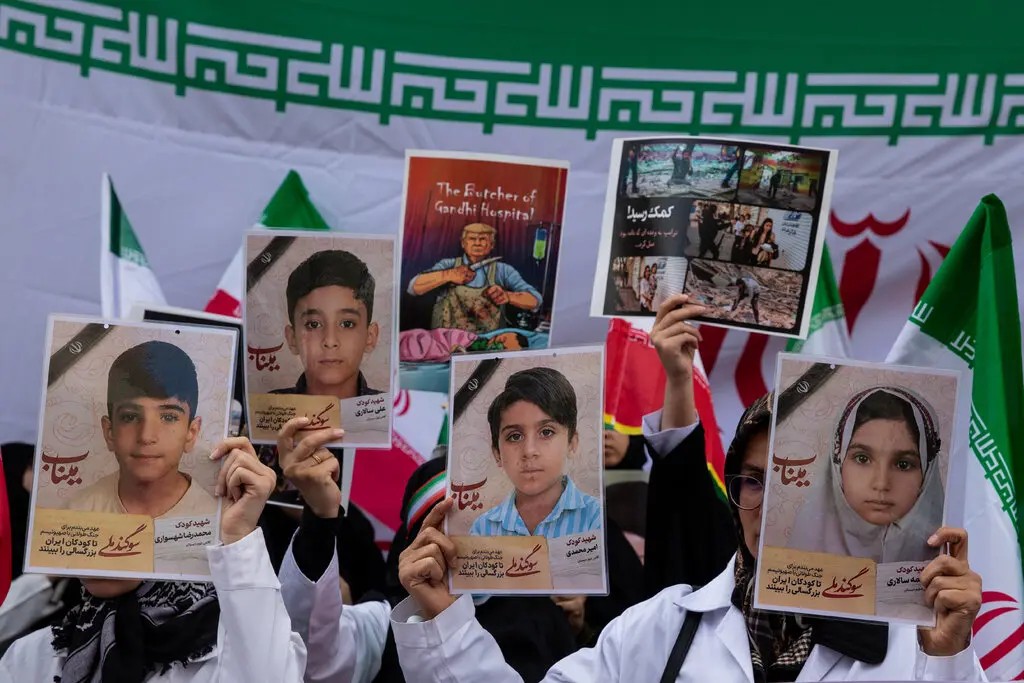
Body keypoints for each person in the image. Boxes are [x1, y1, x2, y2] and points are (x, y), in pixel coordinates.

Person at [391, 293, 984, 682]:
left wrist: (950, 660)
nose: (769, 504)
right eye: (754, 481)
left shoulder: (916, 646)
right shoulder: (663, 628)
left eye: (793, 480)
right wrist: (446, 620)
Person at [0, 435, 307, 682]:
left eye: (123, 503)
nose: (97, 529)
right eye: (82, 504)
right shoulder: (30, 658)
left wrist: (238, 535)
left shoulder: (233, 653)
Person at [790, 387, 944, 563]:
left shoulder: (947, 553)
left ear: (927, 472)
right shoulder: (798, 561)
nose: (881, 484)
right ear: (838, 463)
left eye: (903, 465)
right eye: (862, 459)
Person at [68, 340, 217, 519]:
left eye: (168, 417)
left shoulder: (218, 522)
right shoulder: (75, 514)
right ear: (109, 432)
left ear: (191, 433)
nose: (146, 436)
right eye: (130, 417)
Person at [470, 367, 602, 538]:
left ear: (572, 443)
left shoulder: (597, 518)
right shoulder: (483, 529)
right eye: (515, 436)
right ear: (497, 453)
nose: (529, 451)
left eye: (546, 432)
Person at [274, 249, 382, 399]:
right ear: (292, 338)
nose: (330, 341)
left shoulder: (391, 409)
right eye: (313, 324)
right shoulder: (268, 407)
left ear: (370, 337)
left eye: (347, 324)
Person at [407, 223, 542, 334]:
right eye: (472, 239)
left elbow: (535, 301)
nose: (477, 243)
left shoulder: (503, 270)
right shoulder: (448, 265)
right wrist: (447, 275)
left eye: (483, 239)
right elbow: (413, 288)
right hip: (446, 342)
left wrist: (508, 296)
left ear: (492, 244)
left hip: (486, 343)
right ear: (463, 243)